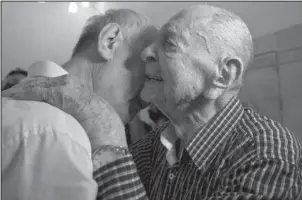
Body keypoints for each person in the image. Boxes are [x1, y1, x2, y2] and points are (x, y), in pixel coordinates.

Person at [3, 4, 302, 200]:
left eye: (169, 43)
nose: (146, 55)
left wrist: (106, 131)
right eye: (149, 46)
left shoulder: (268, 151)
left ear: (223, 74)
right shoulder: (150, 148)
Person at [2, 9, 157, 200]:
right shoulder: (59, 135)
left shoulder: (21, 112)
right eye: (147, 71)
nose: (148, 98)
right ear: (110, 41)